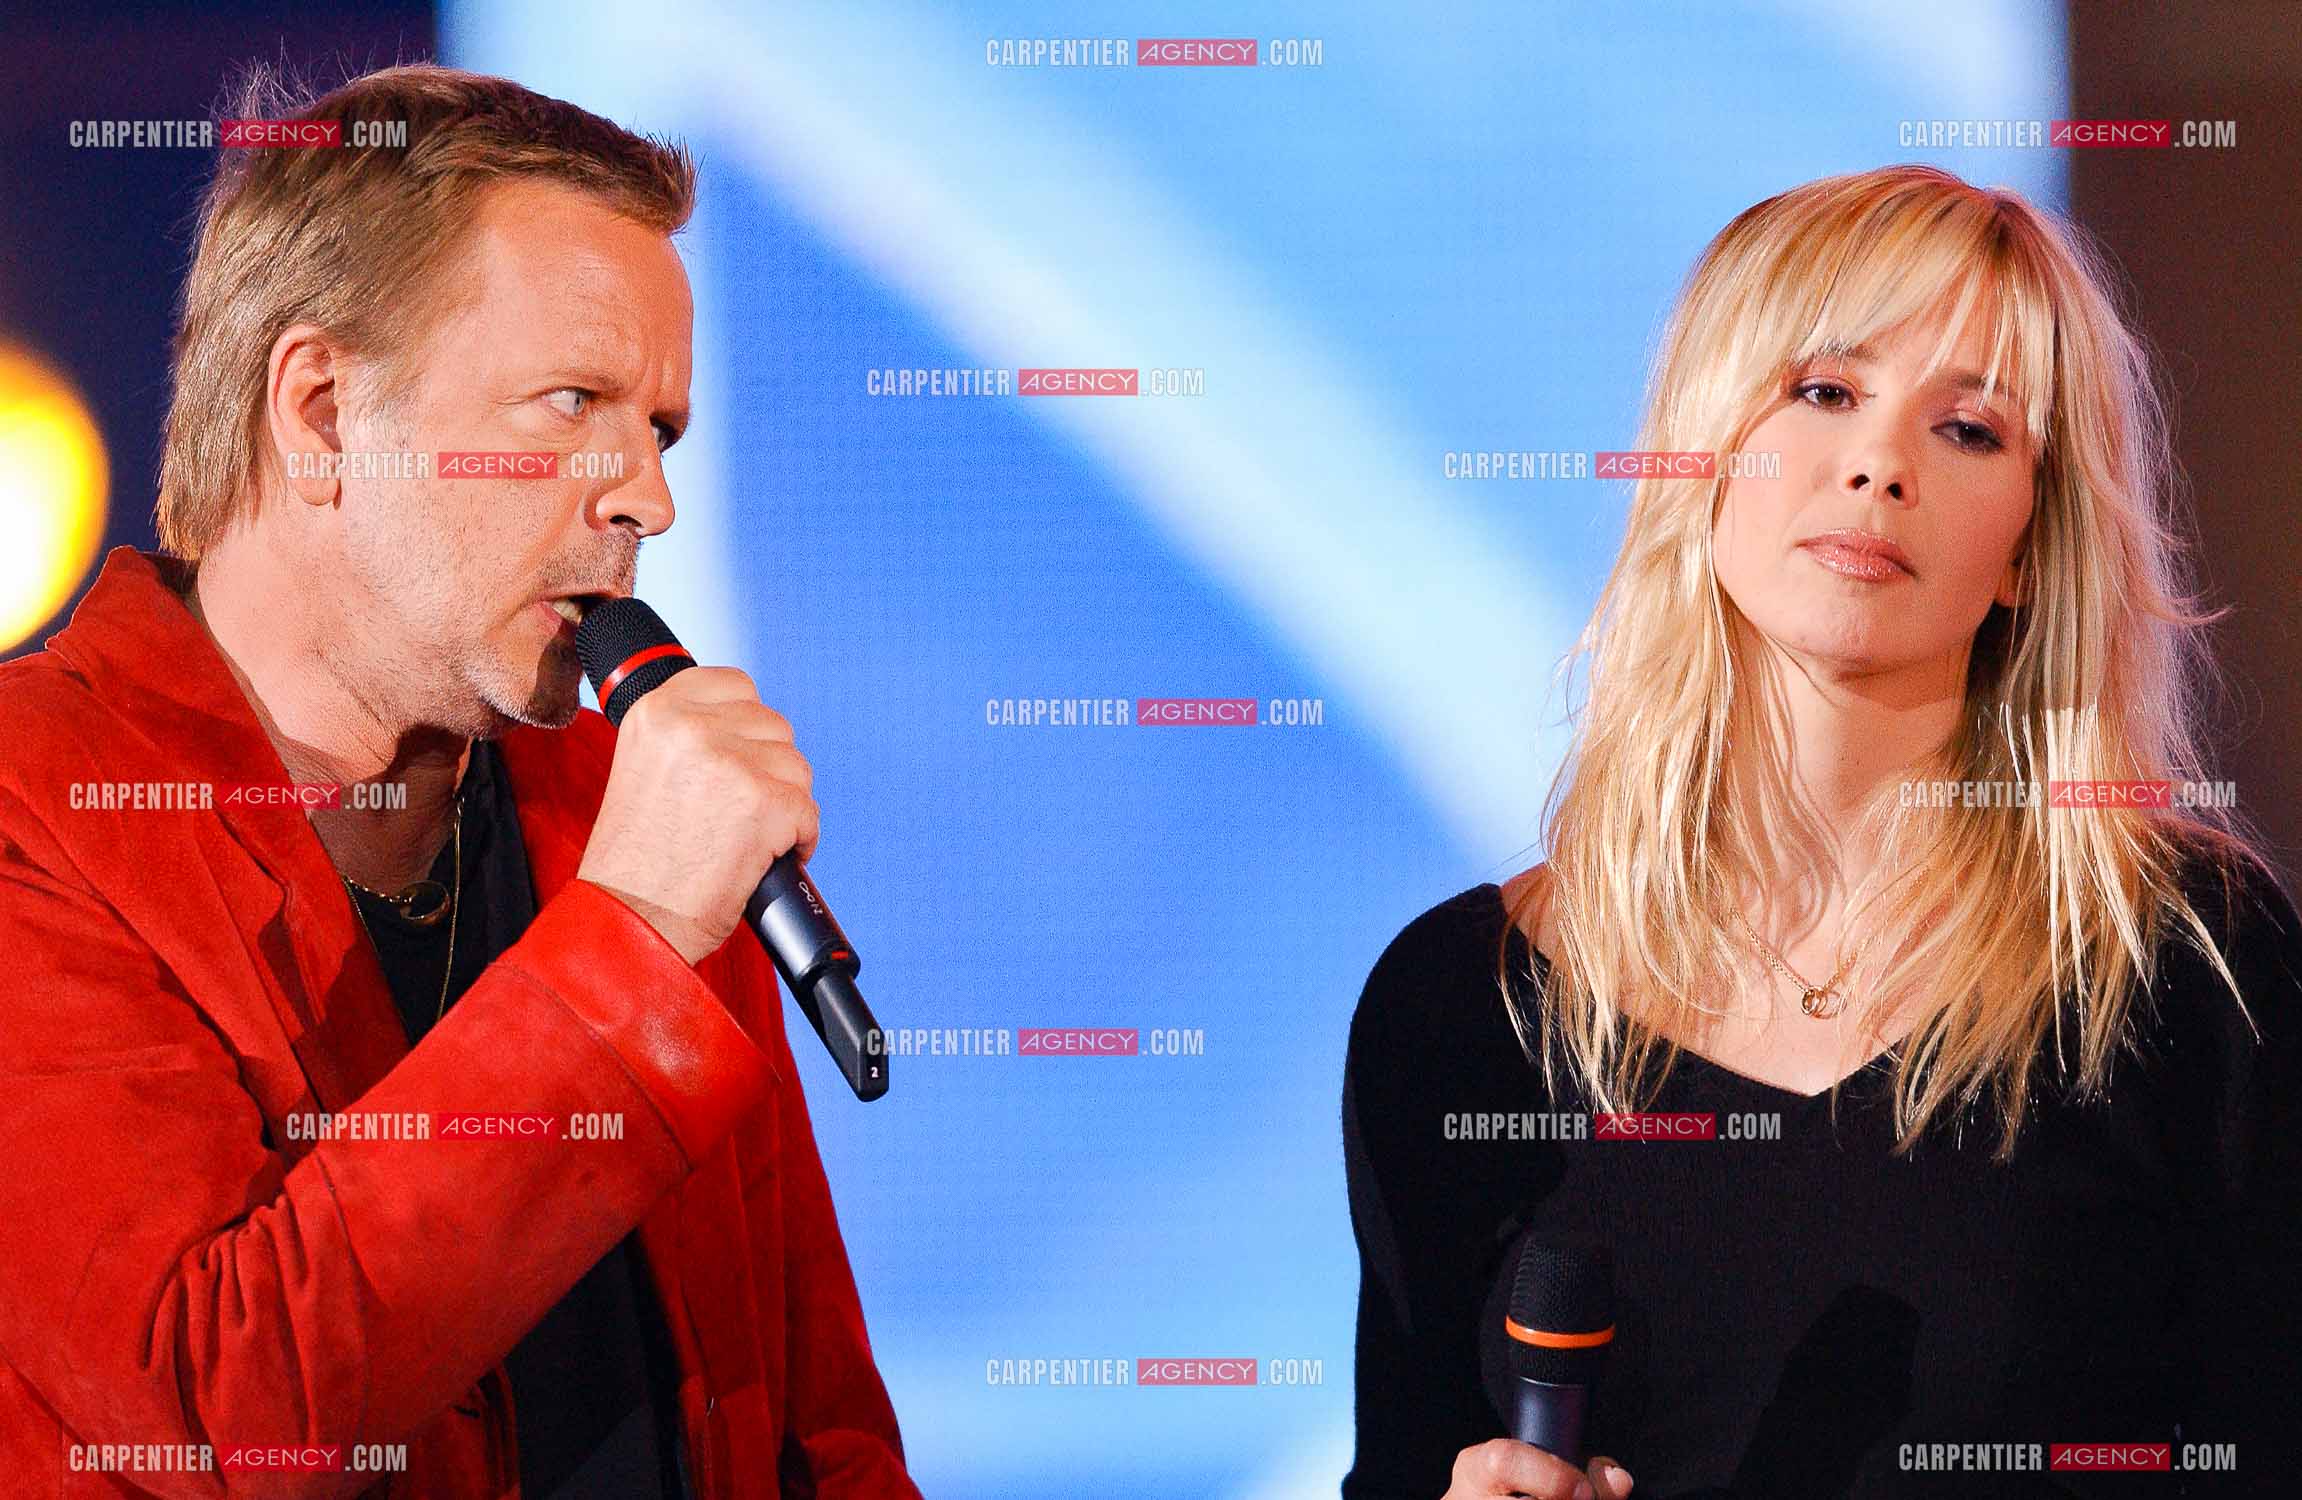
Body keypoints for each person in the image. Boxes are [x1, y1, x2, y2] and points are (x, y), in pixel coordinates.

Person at [0, 64, 918, 1497]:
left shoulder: (624, 808)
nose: (645, 498)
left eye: (658, 429)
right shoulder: (37, 805)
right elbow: (217, 1412)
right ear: (317, 411)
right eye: (571, 402)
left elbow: (820, 1437)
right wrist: (627, 940)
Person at [1343, 165, 2300, 1500]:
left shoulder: (2186, 968)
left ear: (2031, 546)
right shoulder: (1460, 1004)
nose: (1876, 465)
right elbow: (1400, 1464)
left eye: (1968, 430)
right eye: (1822, 391)